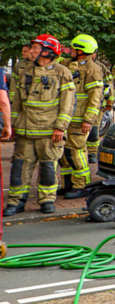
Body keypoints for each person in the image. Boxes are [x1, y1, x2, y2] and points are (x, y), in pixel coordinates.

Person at [5, 35, 75, 216]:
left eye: (36, 48)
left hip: (49, 131)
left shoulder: (62, 72)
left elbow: (68, 103)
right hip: (25, 131)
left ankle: (47, 200)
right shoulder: (24, 71)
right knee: (20, 167)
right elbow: (17, 101)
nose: (31, 50)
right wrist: (12, 126)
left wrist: (61, 127)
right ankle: (16, 201)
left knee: (48, 168)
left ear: (47, 52)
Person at [59, 35, 105, 200]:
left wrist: (89, 120)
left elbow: (95, 98)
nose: (70, 51)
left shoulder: (93, 69)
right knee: (64, 154)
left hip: (80, 120)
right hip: (67, 119)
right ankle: (68, 184)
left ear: (81, 51)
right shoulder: (68, 64)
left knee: (75, 153)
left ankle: (81, 186)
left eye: (72, 48)